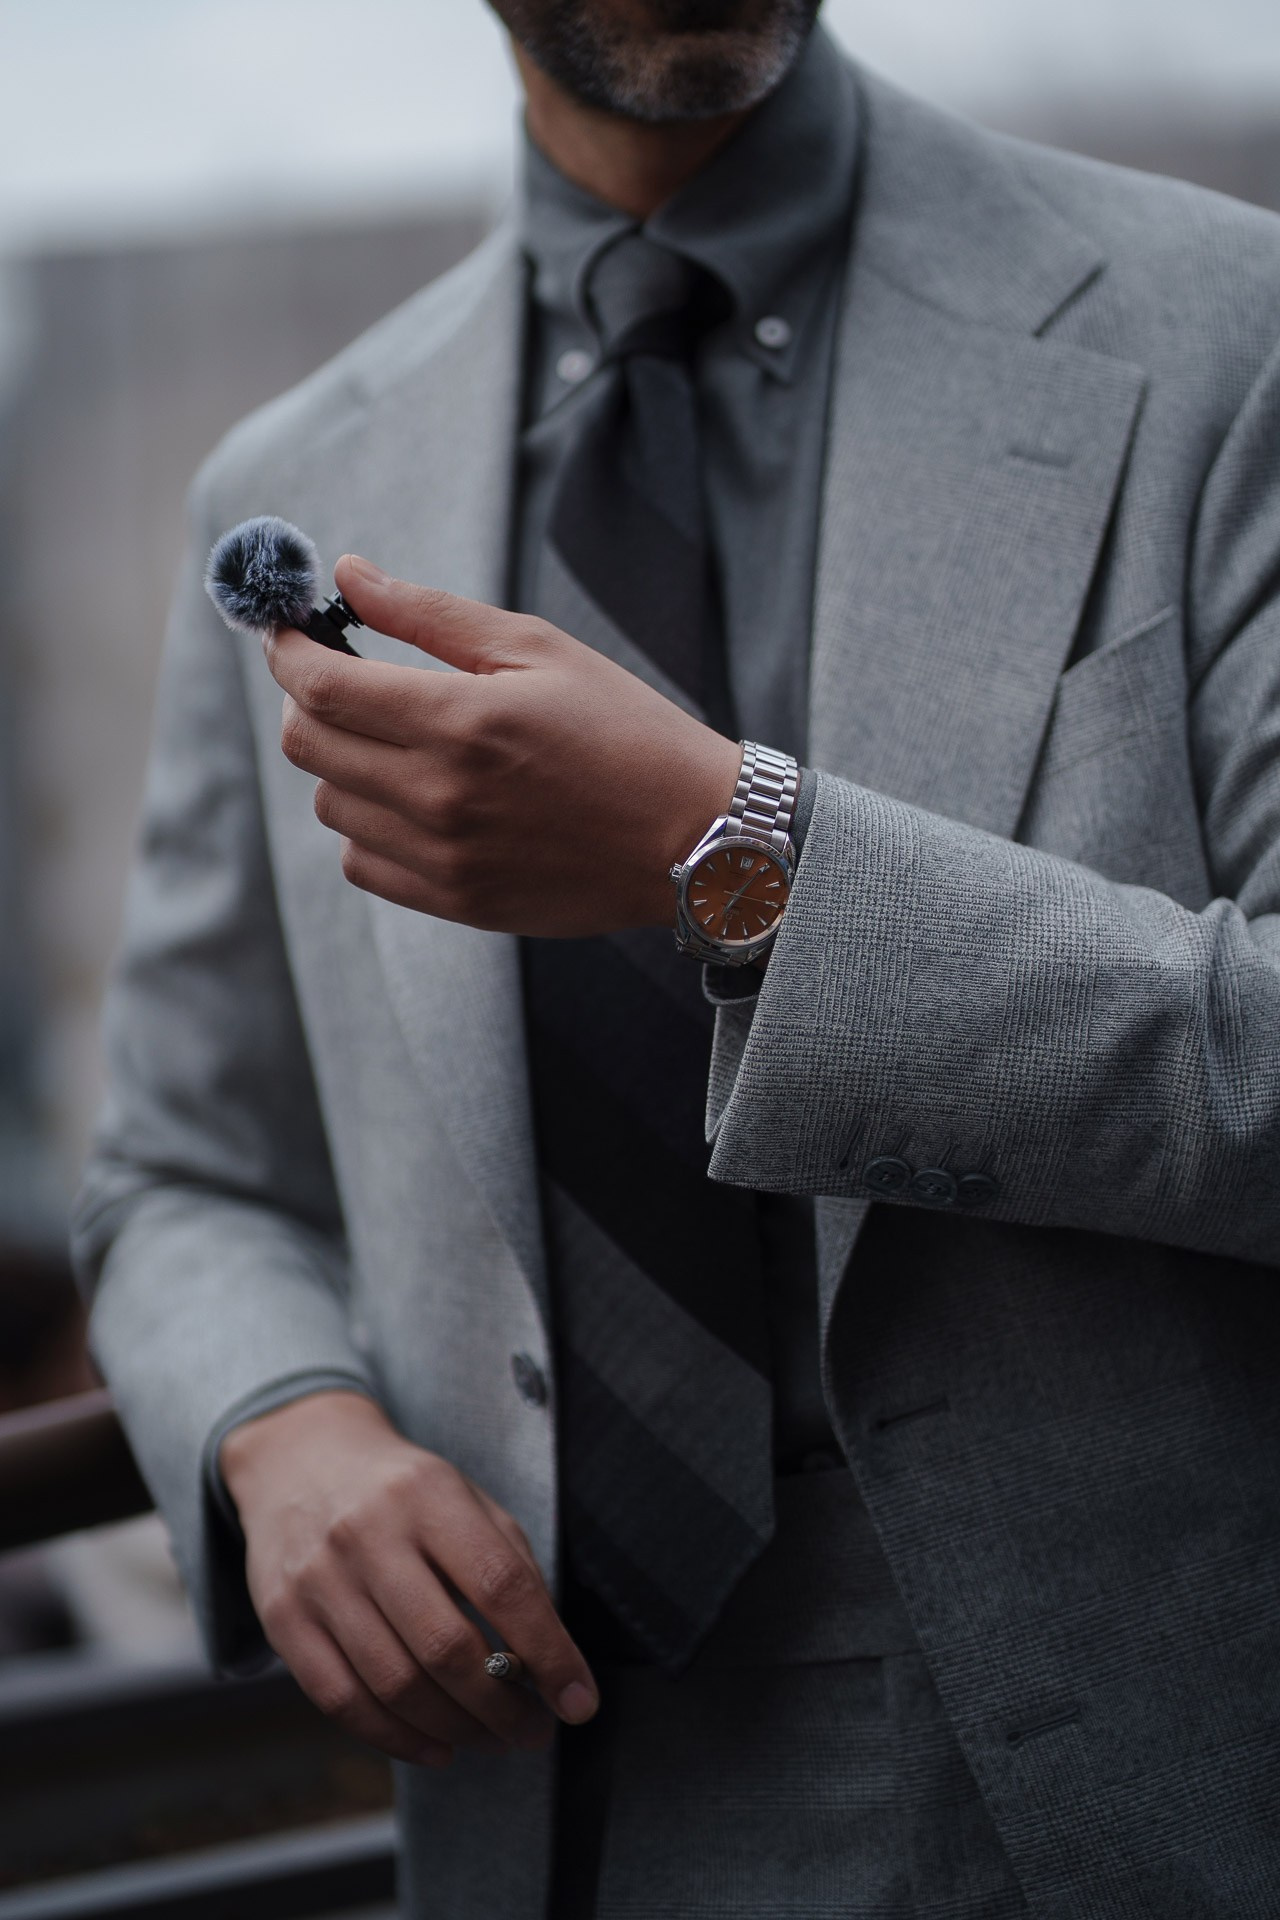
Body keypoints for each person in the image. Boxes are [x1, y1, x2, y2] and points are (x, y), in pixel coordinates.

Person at [73, 2, 1280, 1914]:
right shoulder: (290, 478)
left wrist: (737, 852)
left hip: (1124, 1788)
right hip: (531, 1801)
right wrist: (276, 1425)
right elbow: (181, 1172)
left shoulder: (1229, 331)